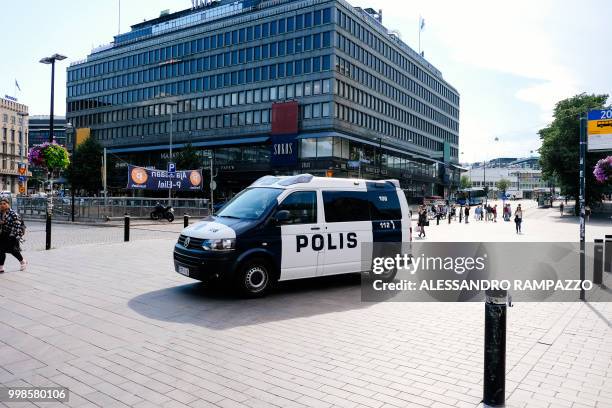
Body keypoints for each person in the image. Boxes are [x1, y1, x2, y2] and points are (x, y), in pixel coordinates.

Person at [0, 197, 27, 273]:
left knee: (12, 250)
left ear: (8, 204)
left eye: (4, 204)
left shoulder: (13, 214)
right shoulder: (0, 213)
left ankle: (22, 261)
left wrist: (16, 236)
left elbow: (19, 225)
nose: (2, 205)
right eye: (1, 204)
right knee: (1, 251)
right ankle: (1, 267)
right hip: (2, 235)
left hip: (12, 234)